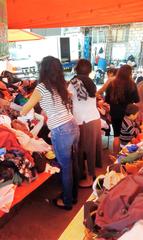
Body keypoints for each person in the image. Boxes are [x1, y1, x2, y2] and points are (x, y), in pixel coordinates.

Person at [20, 56, 79, 210]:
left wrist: (13, 106)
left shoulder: (41, 87)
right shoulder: (60, 84)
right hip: (72, 124)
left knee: (65, 167)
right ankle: (72, 196)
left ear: (43, 70)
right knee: (72, 162)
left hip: (61, 129)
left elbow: (25, 109)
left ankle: (67, 202)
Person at [68, 59, 102, 188]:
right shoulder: (91, 82)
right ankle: (92, 173)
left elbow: (68, 99)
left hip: (84, 121)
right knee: (92, 148)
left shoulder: (74, 82)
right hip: (94, 118)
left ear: (76, 69)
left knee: (84, 149)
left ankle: (88, 177)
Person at [105, 64, 139, 155]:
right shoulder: (132, 85)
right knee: (128, 136)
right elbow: (137, 100)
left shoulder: (112, 84)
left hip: (115, 113)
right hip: (128, 114)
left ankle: (116, 158)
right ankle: (125, 156)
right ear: (130, 74)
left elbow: (107, 100)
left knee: (116, 136)